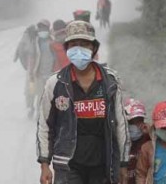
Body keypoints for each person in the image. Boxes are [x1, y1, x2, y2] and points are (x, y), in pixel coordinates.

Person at [36, 20, 130, 184]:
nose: (78, 49)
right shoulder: (55, 84)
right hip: (68, 166)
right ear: (66, 49)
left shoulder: (110, 82)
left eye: (84, 44)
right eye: (73, 44)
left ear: (93, 48)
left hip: (103, 166)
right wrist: (45, 164)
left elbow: (121, 125)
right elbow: (45, 125)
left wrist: (123, 163)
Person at [13, 19, 51, 117]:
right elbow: (23, 48)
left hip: (45, 73)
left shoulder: (52, 40)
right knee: (30, 91)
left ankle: (39, 111)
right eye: (40, 28)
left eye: (44, 28)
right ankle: (30, 107)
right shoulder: (33, 39)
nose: (42, 30)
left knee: (41, 93)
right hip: (32, 72)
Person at [124, 98, 150, 184]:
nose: (137, 125)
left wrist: (152, 132)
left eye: (140, 121)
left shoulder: (148, 139)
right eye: (132, 122)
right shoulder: (117, 142)